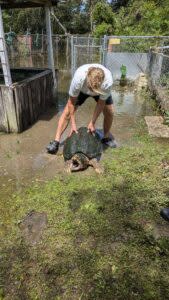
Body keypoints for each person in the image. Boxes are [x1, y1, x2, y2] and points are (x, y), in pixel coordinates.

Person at [46, 63, 116, 154]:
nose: (92, 92)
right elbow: (71, 102)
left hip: (100, 92)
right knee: (67, 112)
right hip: (82, 91)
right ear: (87, 79)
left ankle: (106, 137)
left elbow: (101, 104)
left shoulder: (108, 82)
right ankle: (56, 141)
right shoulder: (79, 78)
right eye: (91, 88)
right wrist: (73, 124)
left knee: (110, 112)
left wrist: (92, 122)